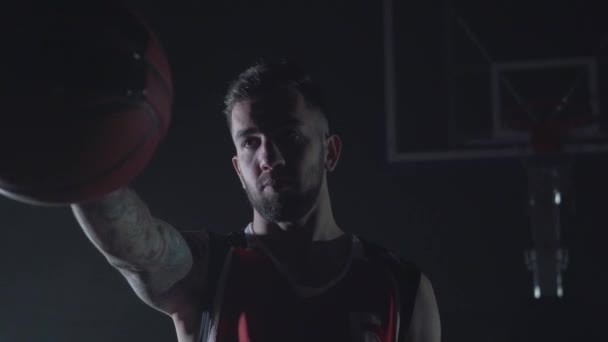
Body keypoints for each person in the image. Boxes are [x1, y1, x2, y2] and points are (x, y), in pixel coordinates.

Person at [71, 60, 441, 342]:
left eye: (290, 135)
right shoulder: (207, 271)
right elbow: (132, 244)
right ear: (237, 166)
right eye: (250, 141)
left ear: (330, 152)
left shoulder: (400, 288)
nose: (269, 157)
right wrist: (75, 160)